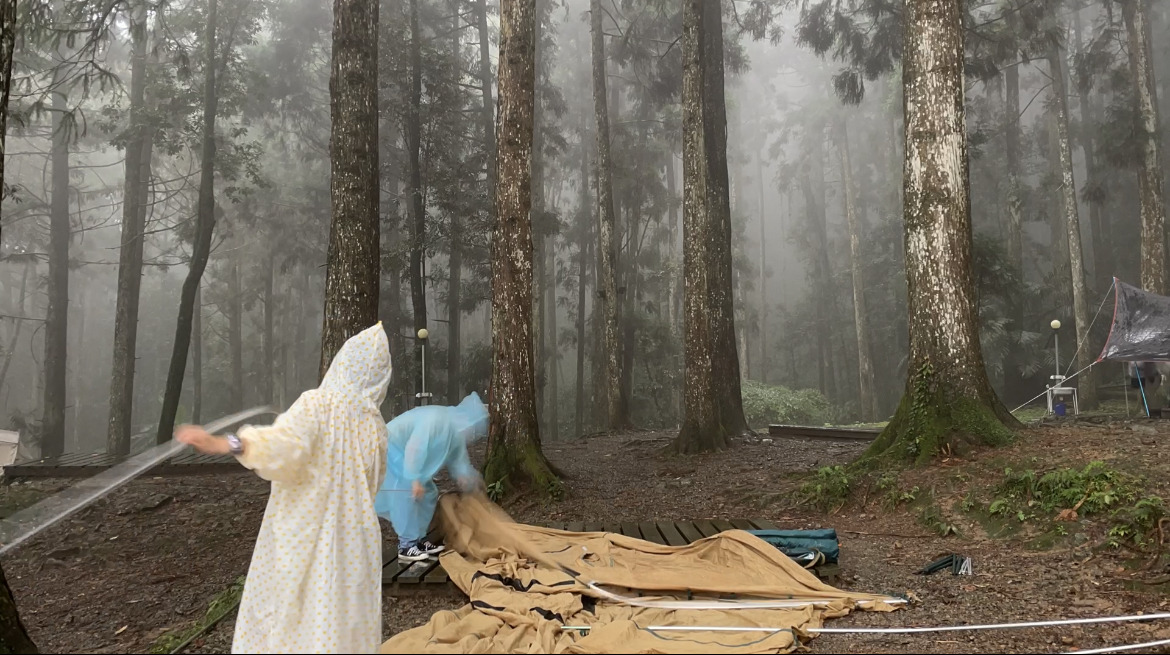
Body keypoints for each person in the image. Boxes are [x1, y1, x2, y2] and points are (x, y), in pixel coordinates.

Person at [175, 323, 391, 654]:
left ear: (344, 362)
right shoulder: (376, 427)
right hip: (355, 544)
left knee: (295, 621)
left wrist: (224, 442)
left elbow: (282, 446)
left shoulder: (319, 405)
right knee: (344, 622)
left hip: (305, 538)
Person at [374, 392, 489, 562]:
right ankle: (406, 546)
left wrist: (469, 478)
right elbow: (415, 448)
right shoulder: (438, 420)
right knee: (405, 493)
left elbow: (459, 461)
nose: (473, 434)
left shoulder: (454, 434)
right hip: (392, 449)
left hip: (406, 458)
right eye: (474, 428)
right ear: (466, 421)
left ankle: (419, 540)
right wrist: (413, 479)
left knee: (429, 493)